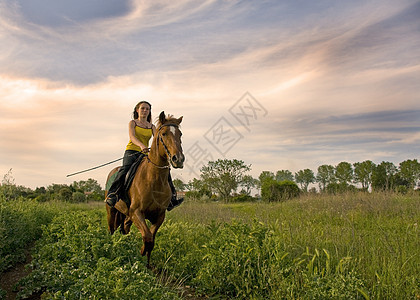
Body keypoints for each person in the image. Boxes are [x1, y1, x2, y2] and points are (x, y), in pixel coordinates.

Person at [105, 101, 184, 212]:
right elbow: (132, 137)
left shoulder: (151, 126)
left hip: (145, 154)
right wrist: (141, 145)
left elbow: (159, 139)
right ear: (137, 110)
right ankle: (113, 194)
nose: (145, 111)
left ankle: (172, 198)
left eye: (147, 109)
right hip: (132, 151)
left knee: (165, 171)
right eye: (143, 108)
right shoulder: (133, 123)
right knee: (125, 170)